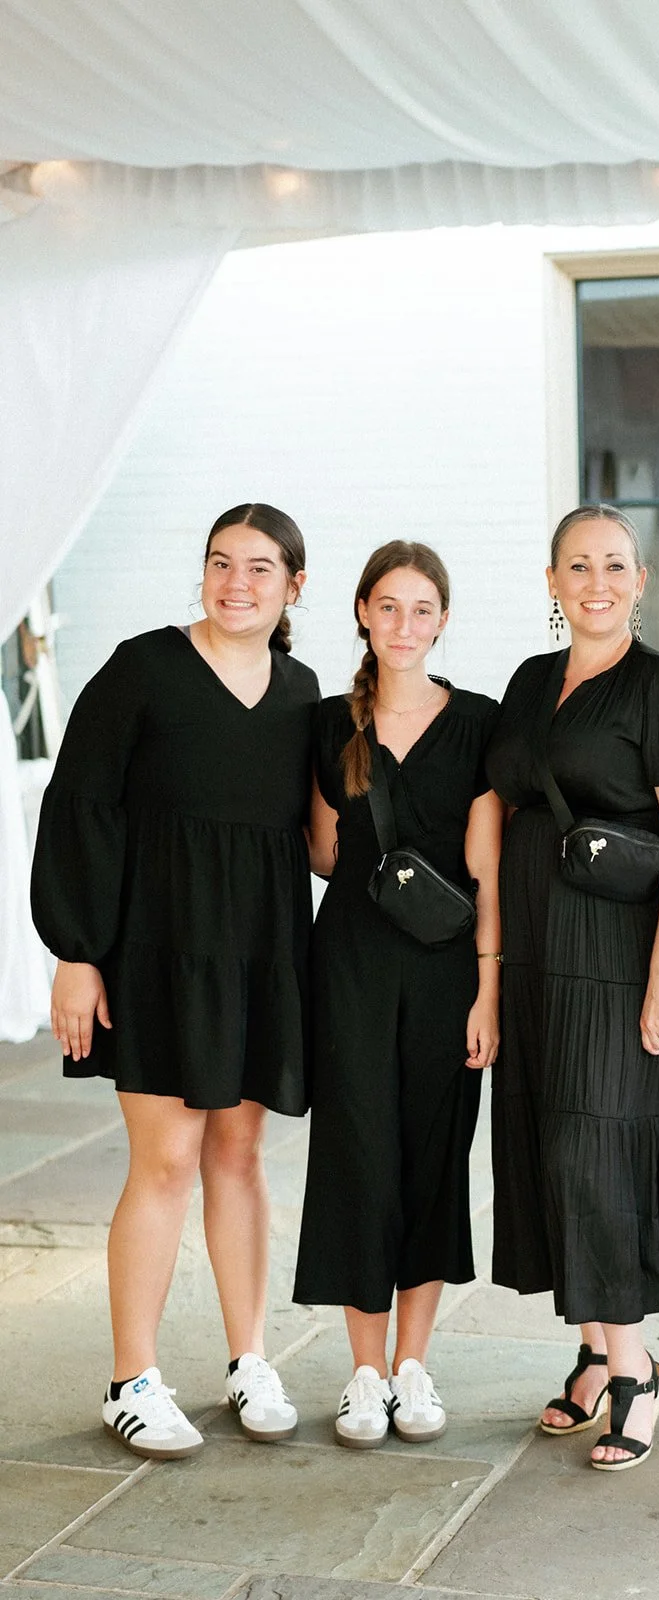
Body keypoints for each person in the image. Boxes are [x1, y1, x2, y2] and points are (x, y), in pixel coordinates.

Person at [31, 504, 319, 1460]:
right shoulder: (140, 669)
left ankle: (249, 1360)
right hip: (157, 953)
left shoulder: (303, 692)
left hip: (258, 957)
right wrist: (76, 951)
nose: (237, 583)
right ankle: (133, 1379)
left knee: (239, 1161)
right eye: (220, 563)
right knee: (162, 1163)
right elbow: (80, 808)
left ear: (293, 588)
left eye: (260, 569)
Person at [485, 504, 659, 1471]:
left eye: (614, 565)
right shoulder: (530, 682)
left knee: (597, 1150)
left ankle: (636, 1371)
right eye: (577, 566)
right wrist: (489, 973)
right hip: (536, 945)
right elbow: (495, 812)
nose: (596, 581)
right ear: (550, 582)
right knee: (547, 1142)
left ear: (640, 582)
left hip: (615, 948)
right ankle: (590, 1354)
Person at [292, 541, 502, 1448]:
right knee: (355, 1155)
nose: (404, 626)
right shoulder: (325, 722)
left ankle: (413, 1368)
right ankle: (363, 1372)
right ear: (362, 614)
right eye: (388, 607)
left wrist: (489, 990)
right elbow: (322, 852)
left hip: (451, 967)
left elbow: (488, 871)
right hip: (349, 964)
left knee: (432, 1151)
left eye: (421, 610)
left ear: (443, 620)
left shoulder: (481, 723)